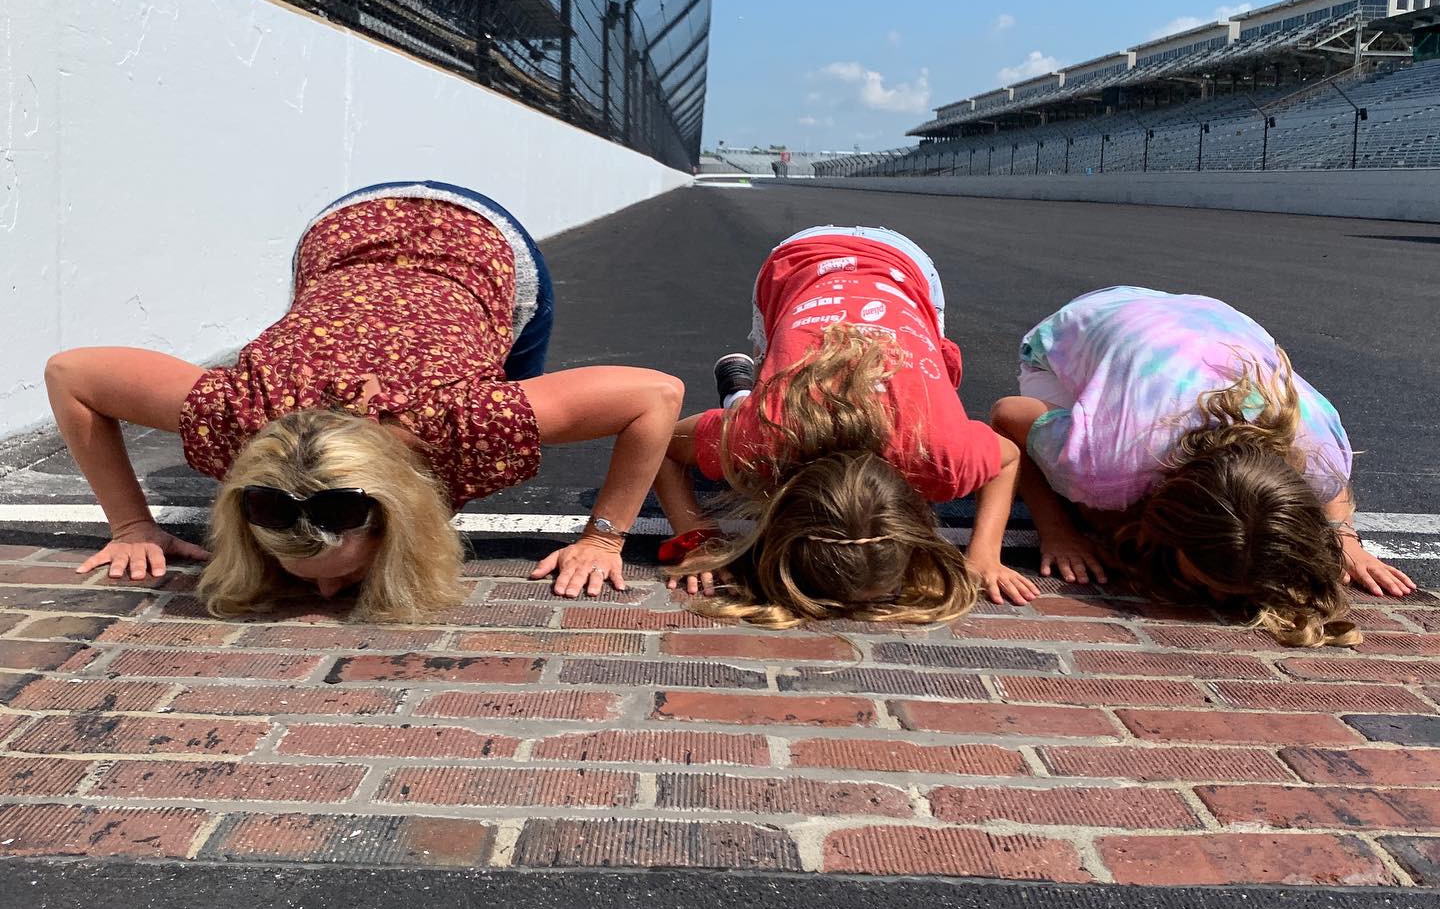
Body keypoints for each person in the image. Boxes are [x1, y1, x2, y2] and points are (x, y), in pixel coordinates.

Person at [45, 181, 683, 618]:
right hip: (345, 238)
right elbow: (70, 374)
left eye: (344, 574)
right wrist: (130, 525)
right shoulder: (238, 411)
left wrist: (604, 539)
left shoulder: (466, 421)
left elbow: (655, 396)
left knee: (514, 389)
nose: (326, 595)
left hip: (480, 242)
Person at [989, 285, 1414, 648]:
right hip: (1080, 328)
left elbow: (1331, 489)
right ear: (1169, 528)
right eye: (1212, 584)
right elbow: (1007, 416)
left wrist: (1346, 540)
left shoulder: (1317, 450)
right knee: (1092, 507)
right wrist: (1057, 530)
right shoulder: (1106, 463)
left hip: (1205, 322)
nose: (1220, 599)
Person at [653, 225, 1034, 627]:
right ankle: (740, 396)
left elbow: (1007, 459)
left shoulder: (939, 454)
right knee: (766, 411)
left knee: (767, 408)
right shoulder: (768, 438)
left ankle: (740, 396)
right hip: (821, 270)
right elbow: (662, 444)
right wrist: (692, 538)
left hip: (855, 274)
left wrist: (984, 553)